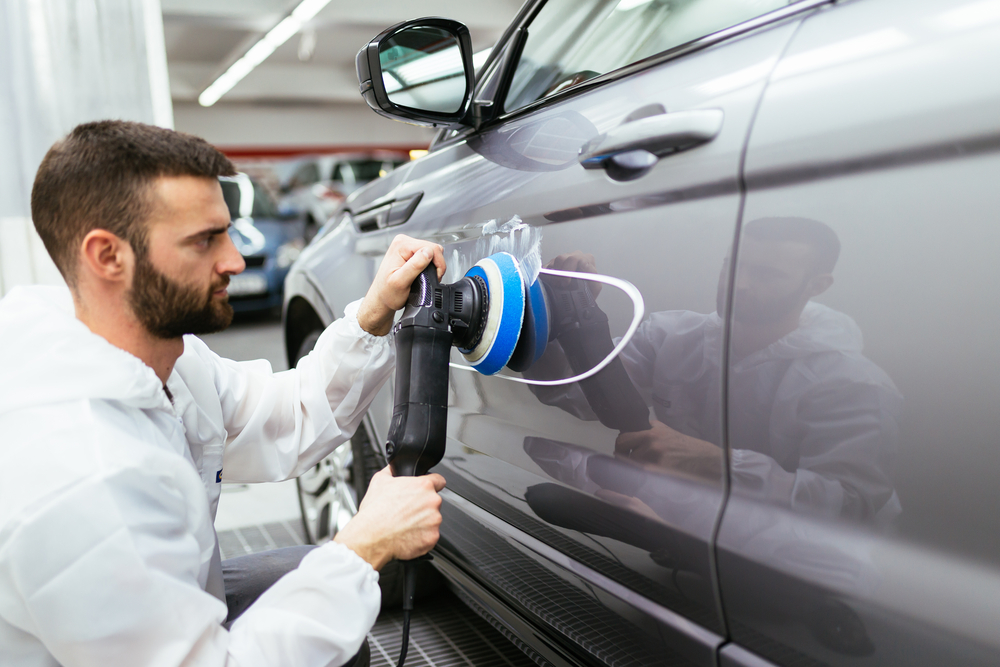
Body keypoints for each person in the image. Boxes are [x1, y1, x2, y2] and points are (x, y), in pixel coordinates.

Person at [0, 120, 446, 667]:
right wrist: (364, 545)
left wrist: (374, 314)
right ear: (107, 256)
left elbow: (287, 414)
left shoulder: (159, 357)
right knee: (338, 597)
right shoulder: (83, 476)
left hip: (159, 616)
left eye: (228, 231)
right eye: (205, 240)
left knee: (333, 605)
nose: (236, 260)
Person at [534, 217, 902, 523]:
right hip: (684, 542)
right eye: (734, 264)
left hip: (808, 582)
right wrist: (564, 314)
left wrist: (715, 463)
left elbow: (851, 506)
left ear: (817, 285)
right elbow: (572, 393)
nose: (738, 284)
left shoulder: (853, 384)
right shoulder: (671, 337)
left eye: (765, 274)